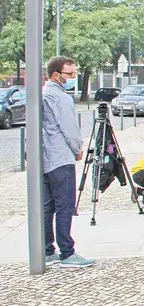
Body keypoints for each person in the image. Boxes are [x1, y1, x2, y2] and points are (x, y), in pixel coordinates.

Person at [41, 56, 94, 268]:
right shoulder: (61, 98)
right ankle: (67, 252)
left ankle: (47, 250)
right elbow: (70, 129)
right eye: (70, 74)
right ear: (56, 75)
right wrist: (77, 149)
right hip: (61, 157)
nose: (74, 78)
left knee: (47, 206)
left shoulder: (43, 94)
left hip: (45, 157)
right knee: (65, 205)